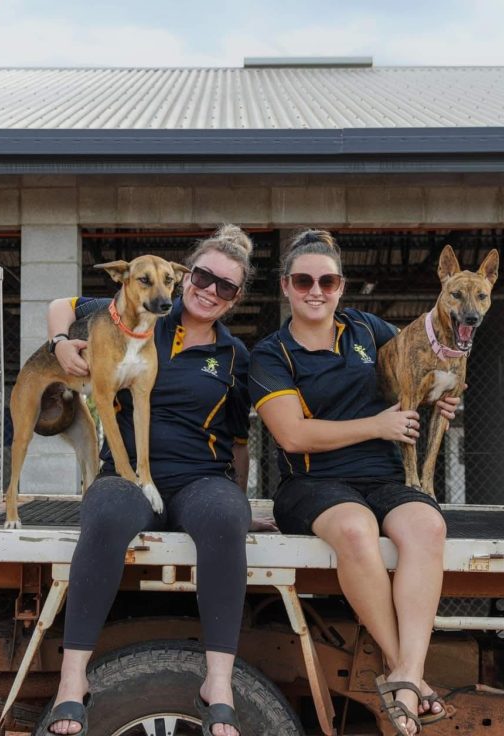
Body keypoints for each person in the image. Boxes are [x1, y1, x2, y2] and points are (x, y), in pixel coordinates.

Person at [41, 225, 255, 736]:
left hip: (202, 479)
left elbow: (240, 441)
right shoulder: (140, 309)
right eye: (203, 276)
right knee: (107, 513)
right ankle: (72, 681)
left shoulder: (234, 357)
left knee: (228, 519)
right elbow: (61, 304)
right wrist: (61, 345)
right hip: (130, 475)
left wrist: (243, 501)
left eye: (225, 286)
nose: (210, 290)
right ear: (185, 276)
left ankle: (217, 683)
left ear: (235, 299)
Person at [250, 230, 456, 736]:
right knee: (358, 531)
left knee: (428, 527)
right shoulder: (272, 353)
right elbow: (293, 435)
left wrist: (439, 395)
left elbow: (420, 366)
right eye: (304, 281)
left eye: (327, 280)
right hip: (313, 483)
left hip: (383, 476)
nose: (315, 290)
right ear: (286, 287)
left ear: (341, 286)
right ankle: (406, 673)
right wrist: (377, 426)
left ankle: (406, 673)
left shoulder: (368, 329)